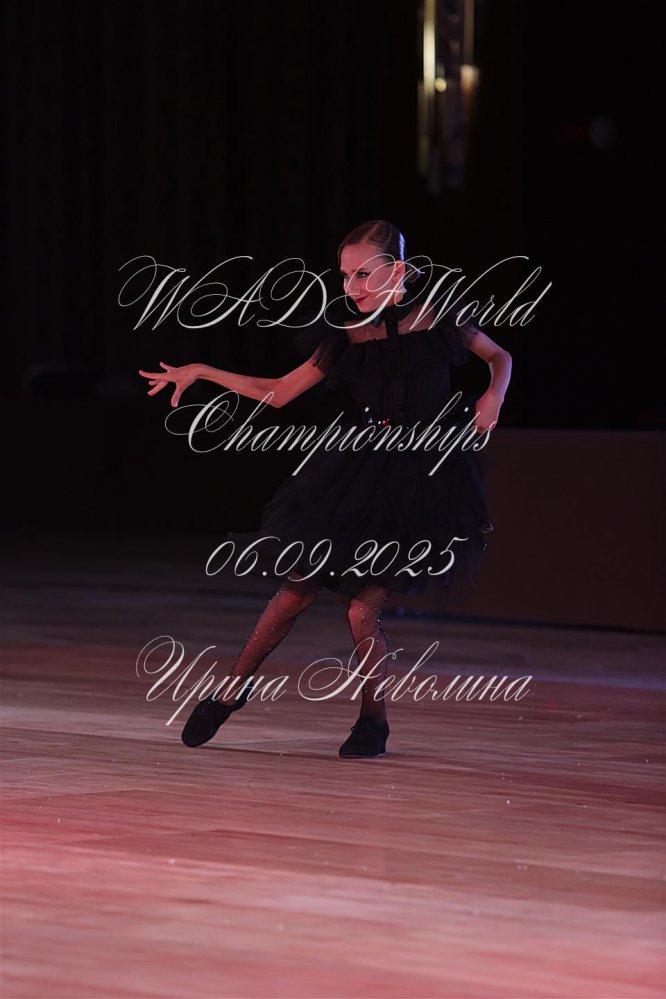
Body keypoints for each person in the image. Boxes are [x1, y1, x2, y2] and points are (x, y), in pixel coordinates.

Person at [138, 220, 512, 757]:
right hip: (357, 473)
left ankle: (373, 720)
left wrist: (493, 394)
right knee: (295, 588)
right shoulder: (345, 334)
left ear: (396, 271)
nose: (350, 287)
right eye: (344, 276)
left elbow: (500, 356)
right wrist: (202, 370)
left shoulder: (441, 317)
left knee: (361, 611)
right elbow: (278, 392)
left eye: (362, 274)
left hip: (422, 480)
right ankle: (230, 692)